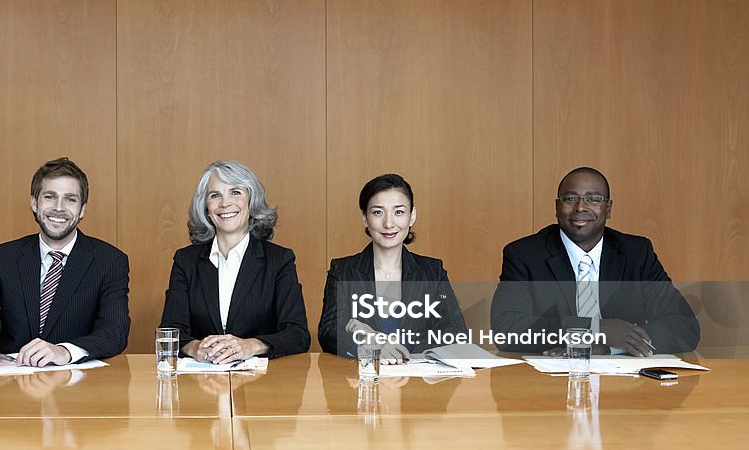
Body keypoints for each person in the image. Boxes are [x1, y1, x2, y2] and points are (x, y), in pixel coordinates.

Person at [490, 167, 699, 355]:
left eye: (593, 199)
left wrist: (609, 347)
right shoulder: (524, 254)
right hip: (548, 380)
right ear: (557, 207)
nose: (581, 207)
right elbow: (507, 329)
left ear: (608, 209)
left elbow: (684, 325)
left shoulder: (637, 253)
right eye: (570, 199)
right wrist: (593, 329)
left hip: (625, 386)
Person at [0, 157, 130, 366]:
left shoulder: (110, 261)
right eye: (50, 197)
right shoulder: (1, 258)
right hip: (12, 384)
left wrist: (65, 351)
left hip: (78, 386)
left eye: (70, 199)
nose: (59, 208)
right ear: (34, 203)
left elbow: (115, 331)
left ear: (82, 209)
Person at [159, 160, 310, 363]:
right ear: (205, 206)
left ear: (251, 199)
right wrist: (196, 348)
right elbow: (171, 331)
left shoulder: (279, 260)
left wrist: (250, 346)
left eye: (235, 192)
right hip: (201, 383)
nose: (225, 203)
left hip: (263, 385)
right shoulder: (185, 260)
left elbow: (297, 334)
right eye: (215, 195)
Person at [318, 174, 467, 362]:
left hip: (418, 384)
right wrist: (375, 349)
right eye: (378, 212)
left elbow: (455, 333)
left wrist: (385, 344)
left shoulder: (432, 271)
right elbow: (329, 333)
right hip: (362, 382)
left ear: (412, 216)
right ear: (365, 218)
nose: (389, 223)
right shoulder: (342, 270)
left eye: (399, 212)